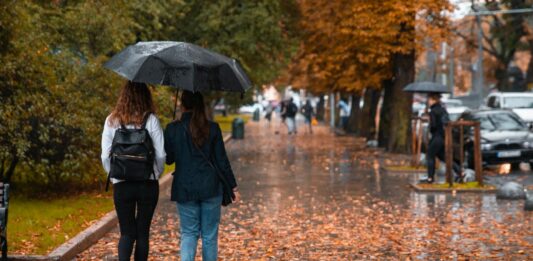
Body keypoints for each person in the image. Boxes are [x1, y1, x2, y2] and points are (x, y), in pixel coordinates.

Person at [164, 91, 240, 261]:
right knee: (210, 236)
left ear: (182, 105)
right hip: (210, 187)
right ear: (201, 105)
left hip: (184, 187)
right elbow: (222, 161)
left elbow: (168, 160)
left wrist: (170, 137)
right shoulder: (212, 128)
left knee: (189, 233)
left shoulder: (173, 128)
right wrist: (233, 186)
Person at [101, 81, 166, 261]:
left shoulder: (112, 120)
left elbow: (105, 156)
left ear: (123, 97)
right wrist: (156, 173)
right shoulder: (151, 120)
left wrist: (115, 176)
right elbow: (161, 154)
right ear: (146, 97)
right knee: (142, 233)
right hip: (147, 183)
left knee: (127, 233)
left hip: (122, 184)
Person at [422, 92, 461, 183]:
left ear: (433, 100)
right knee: (444, 157)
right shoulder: (442, 109)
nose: (428, 102)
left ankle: (430, 178)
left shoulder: (433, 111)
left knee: (430, 156)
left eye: (429, 100)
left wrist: (429, 120)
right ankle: (460, 172)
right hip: (443, 137)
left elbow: (434, 126)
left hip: (437, 137)